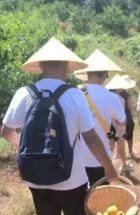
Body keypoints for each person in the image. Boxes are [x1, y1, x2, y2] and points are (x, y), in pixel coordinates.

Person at [1, 38, 118, 215]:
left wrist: (20, 145)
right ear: (67, 67)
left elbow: (6, 132)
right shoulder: (75, 95)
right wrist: (109, 168)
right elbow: (92, 139)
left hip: (35, 177)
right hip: (71, 179)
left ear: (40, 66)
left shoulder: (23, 93)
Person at [74, 49, 126, 186]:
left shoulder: (73, 93)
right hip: (100, 159)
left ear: (87, 74)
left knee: (79, 202)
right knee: (98, 200)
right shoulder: (111, 97)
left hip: (75, 158)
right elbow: (122, 121)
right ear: (104, 75)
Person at [106, 75, 133, 174]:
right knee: (120, 145)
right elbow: (120, 114)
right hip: (118, 125)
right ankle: (124, 165)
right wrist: (122, 122)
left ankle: (107, 165)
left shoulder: (106, 95)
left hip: (107, 125)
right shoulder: (119, 98)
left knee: (110, 146)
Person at [120, 75, 136, 158]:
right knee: (129, 136)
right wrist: (138, 106)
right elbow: (131, 108)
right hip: (127, 118)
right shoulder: (127, 96)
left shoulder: (114, 93)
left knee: (118, 136)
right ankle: (130, 151)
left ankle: (118, 152)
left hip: (117, 118)